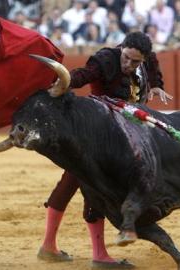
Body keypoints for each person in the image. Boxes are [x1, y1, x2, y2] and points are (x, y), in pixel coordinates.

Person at [37, 31, 172, 268]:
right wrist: (62, 82)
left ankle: (50, 246)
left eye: (135, 61)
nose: (129, 64)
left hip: (129, 135)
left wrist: (158, 86)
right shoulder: (106, 60)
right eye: (127, 58)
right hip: (100, 134)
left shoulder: (146, 59)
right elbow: (84, 75)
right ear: (122, 48)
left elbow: (152, 69)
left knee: (74, 181)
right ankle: (96, 254)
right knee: (90, 185)